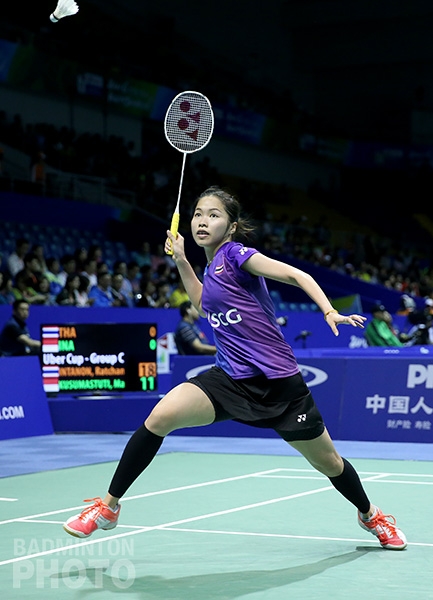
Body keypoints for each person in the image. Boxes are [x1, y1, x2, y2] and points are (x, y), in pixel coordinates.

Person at [63, 186, 407, 551]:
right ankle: (109, 507)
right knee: (160, 416)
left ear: (231, 226)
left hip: (279, 385)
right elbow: (202, 304)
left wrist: (329, 311)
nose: (202, 221)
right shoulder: (211, 268)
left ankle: (370, 514)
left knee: (330, 463)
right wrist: (181, 260)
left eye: (213, 215)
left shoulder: (236, 254)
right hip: (229, 380)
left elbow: (296, 276)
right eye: (198, 214)